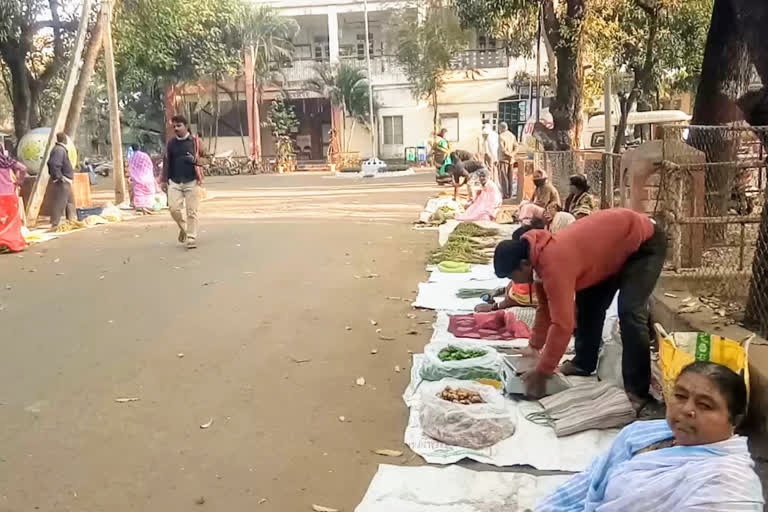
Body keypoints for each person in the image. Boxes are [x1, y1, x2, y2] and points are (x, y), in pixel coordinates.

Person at [492, 208, 667, 406]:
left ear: (523, 264)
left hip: (644, 243)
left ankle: (637, 392)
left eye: (511, 276)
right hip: (611, 251)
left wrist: (543, 370)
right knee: (588, 303)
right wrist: (534, 347)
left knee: (630, 311)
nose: (513, 281)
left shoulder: (553, 261)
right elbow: (546, 309)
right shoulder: (537, 255)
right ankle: (583, 363)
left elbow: (563, 324)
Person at [538, 362, 764, 511]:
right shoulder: (644, 434)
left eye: (705, 405)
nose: (686, 409)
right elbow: (591, 479)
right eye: (680, 396)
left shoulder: (728, 486)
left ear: (734, 420)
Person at [161, 115, 203, 249]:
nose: (176, 129)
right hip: (175, 181)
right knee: (173, 209)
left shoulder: (195, 142)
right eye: (174, 126)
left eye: (179, 126)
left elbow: (207, 158)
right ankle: (184, 228)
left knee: (192, 212)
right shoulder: (171, 143)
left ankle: (191, 237)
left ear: (186, 126)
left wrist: (196, 161)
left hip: (192, 181)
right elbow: (166, 162)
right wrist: (163, 180)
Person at [47, 132, 76, 230]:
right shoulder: (59, 150)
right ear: (64, 140)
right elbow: (53, 164)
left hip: (66, 180)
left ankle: (72, 220)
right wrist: (59, 177)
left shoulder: (61, 149)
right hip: (62, 180)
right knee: (60, 202)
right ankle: (55, 223)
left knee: (70, 201)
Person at [0, 147, 27, 252]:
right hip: (10, 194)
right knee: (12, 220)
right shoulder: (7, 162)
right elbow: (23, 168)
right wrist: (19, 181)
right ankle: (12, 244)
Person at [127, 144, 157, 214]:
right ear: (139, 148)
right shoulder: (145, 156)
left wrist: (133, 176)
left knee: (139, 191)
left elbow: (131, 167)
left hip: (137, 177)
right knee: (148, 191)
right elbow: (150, 165)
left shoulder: (131, 158)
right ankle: (148, 205)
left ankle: (140, 206)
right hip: (147, 176)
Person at [497, 122, 518, 199]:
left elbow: (502, 149)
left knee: (504, 178)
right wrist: (512, 154)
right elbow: (516, 147)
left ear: (501, 128)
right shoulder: (512, 135)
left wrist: (508, 154)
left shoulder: (501, 136)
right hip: (511, 160)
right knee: (510, 177)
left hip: (503, 159)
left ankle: (505, 195)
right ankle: (510, 194)